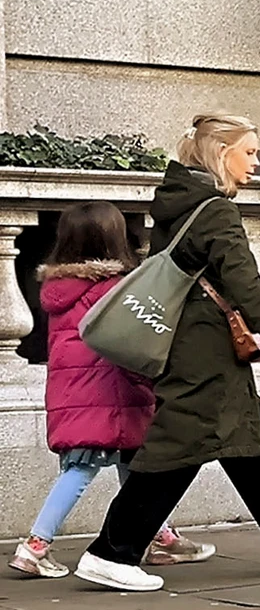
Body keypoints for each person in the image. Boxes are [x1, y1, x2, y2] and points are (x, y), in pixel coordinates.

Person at [74, 114, 260, 592]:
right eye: (248, 152)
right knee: (178, 448)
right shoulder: (214, 211)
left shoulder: (180, 203)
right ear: (219, 152)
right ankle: (112, 553)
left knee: (251, 441)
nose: (256, 162)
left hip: (199, 347)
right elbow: (246, 286)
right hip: (202, 353)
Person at [10, 203, 213, 577]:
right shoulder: (115, 287)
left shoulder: (58, 288)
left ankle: (158, 536)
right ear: (116, 239)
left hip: (77, 393)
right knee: (81, 470)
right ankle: (35, 546)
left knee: (134, 465)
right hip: (109, 392)